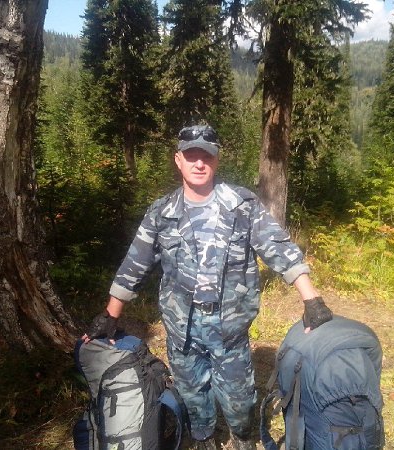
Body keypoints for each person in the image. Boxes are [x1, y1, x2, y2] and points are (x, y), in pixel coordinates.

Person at [83, 124, 333, 449]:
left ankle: (242, 438)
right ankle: (204, 439)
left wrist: (311, 299)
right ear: (178, 160)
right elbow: (135, 264)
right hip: (182, 327)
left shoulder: (241, 205)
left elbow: (277, 247)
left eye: (207, 156)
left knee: (239, 399)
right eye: (191, 156)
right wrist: (110, 314)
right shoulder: (162, 213)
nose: (199, 163)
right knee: (192, 393)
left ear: (217, 160)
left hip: (229, 326)